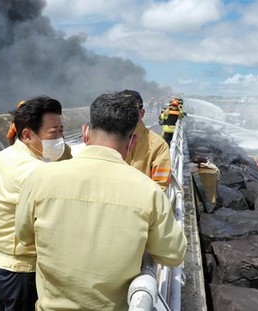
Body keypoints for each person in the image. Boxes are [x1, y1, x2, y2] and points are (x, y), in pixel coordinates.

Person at [15, 92, 187, 310]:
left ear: (85, 132)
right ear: (132, 141)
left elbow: (24, 235)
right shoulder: (148, 192)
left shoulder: (40, 178)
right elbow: (173, 254)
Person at [0, 96, 71, 311]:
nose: (59, 138)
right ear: (27, 135)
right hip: (21, 269)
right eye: (53, 133)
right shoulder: (35, 171)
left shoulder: (7, 155)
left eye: (61, 130)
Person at [119, 90, 171, 191]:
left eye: (131, 109)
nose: (124, 114)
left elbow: (161, 185)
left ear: (141, 113)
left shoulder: (158, 145)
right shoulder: (105, 139)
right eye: (119, 109)